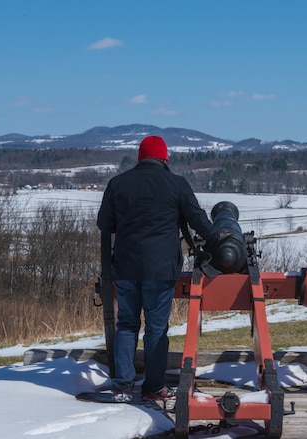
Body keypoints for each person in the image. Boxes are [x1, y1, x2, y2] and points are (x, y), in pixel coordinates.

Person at [97, 135, 221, 402]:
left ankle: (122, 386)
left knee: (127, 325)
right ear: (165, 158)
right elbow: (197, 218)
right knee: (155, 328)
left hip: (126, 267)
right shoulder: (176, 184)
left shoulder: (118, 184)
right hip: (161, 269)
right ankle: (154, 388)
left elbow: (104, 224)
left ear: (141, 157)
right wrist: (216, 239)